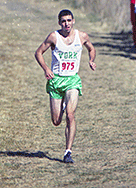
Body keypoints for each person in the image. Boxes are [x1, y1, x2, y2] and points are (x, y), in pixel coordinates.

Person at [35, 9, 96, 163]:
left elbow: (91, 48)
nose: (66, 24)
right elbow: (38, 53)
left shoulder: (81, 36)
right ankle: (62, 106)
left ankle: (68, 151)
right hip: (56, 81)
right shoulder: (53, 37)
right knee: (56, 121)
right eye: (63, 21)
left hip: (72, 80)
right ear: (59, 23)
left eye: (69, 20)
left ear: (73, 21)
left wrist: (91, 60)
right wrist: (46, 69)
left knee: (70, 115)